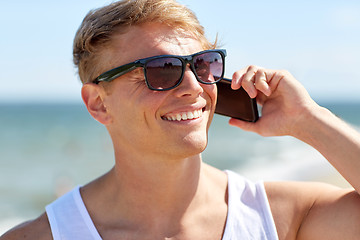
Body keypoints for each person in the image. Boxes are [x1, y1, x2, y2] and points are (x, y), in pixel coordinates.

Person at [2, 0, 360, 239]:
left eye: (203, 65)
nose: (194, 87)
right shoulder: (43, 236)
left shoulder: (282, 217)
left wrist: (309, 120)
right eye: (162, 70)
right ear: (98, 104)